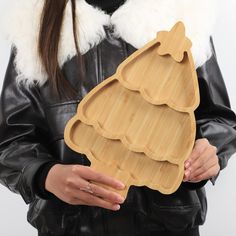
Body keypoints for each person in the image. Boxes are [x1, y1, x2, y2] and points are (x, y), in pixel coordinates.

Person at [0, 0, 236, 236]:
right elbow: (10, 140)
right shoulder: (34, 24)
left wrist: (206, 151)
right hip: (71, 225)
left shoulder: (184, 15)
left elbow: (218, 119)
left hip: (167, 224)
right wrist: (45, 176)